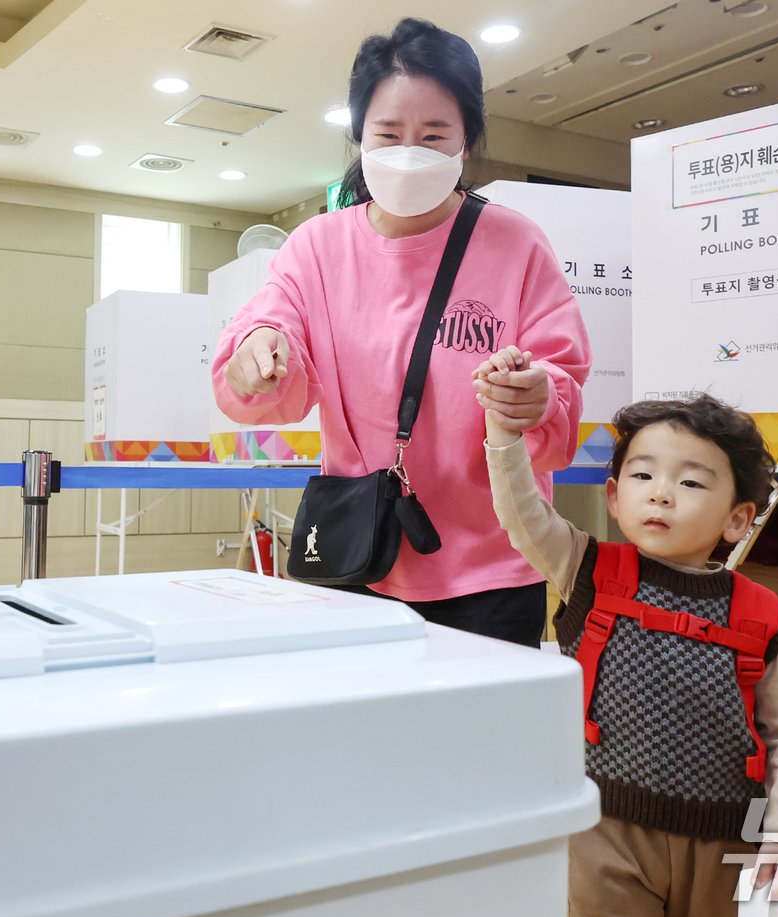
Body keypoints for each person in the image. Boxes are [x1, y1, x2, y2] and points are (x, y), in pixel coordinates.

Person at [212, 19, 591, 647]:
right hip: (356, 557)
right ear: (360, 136)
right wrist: (257, 351)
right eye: (388, 134)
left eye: (434, 134)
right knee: (356, 742)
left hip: (492, 569)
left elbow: (560, 379)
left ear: (465, 140)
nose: (409, 151)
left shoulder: (514, 242)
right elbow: (271, 328)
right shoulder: (318, 246)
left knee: (476, 744)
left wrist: (539, 395)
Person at [477, 348, 778, 917]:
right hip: (603, 830)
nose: (661, 493)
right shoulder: (586, 568)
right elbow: (521, 513)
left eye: (689, 481)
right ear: (614, 496)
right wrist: (504, 432)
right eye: (642, 475)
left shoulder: (761, 615)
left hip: (724, 841)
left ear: (737, 519)